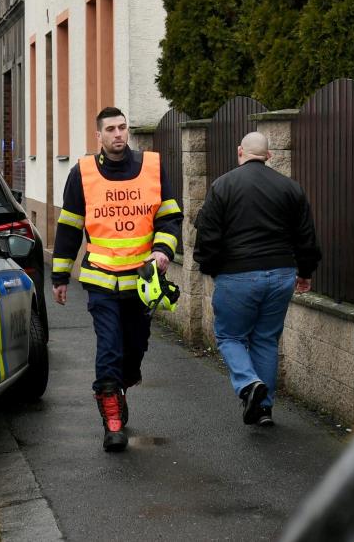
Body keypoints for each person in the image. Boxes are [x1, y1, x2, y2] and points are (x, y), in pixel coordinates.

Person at [52, 107, 183, 452]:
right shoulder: (82, 173)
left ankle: (121, 387)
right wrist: (60, 276)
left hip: (141, 282)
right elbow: (68, 227)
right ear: (99, 136)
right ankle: (112, 423)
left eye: (122, 127)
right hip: (102, 282)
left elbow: (170, 218)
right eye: (110, 129)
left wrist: (163, 252)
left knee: (134, 351)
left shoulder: (152, 167)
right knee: (109, 348)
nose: (118, 134)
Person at [194, 132, 321, 427]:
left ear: (240, 152)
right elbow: (306, 236)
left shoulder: (222, 186)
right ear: (269, 155)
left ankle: (249, 384)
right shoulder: (290, 188)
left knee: (230, 336)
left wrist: (210, 268)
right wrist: (305, 271)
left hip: (237, 274)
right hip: (281, 274)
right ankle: (263, 408)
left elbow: (208, 236)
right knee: (265, 339)